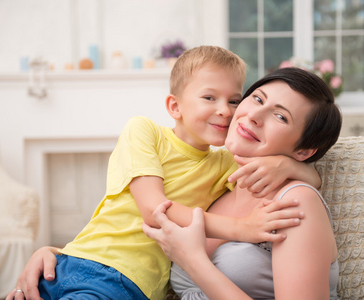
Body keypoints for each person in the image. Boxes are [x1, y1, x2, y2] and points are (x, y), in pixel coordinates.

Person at [7, 47, 320, 300]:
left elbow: (314, 179)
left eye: (233, 100)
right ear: (175, 106)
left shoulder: (225, 164)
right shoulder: (144, 131)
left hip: (125, 284)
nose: (225, 110)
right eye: (209, 98)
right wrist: (243, 228)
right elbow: (154, 211)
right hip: (77, 263)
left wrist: (288, 165)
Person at [143, 67, 342, 299]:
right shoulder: (216, 188)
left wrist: (193, 261)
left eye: (281, 116)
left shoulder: (295, 203)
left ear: (304, 151)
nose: (254, 116)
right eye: (258, 99)